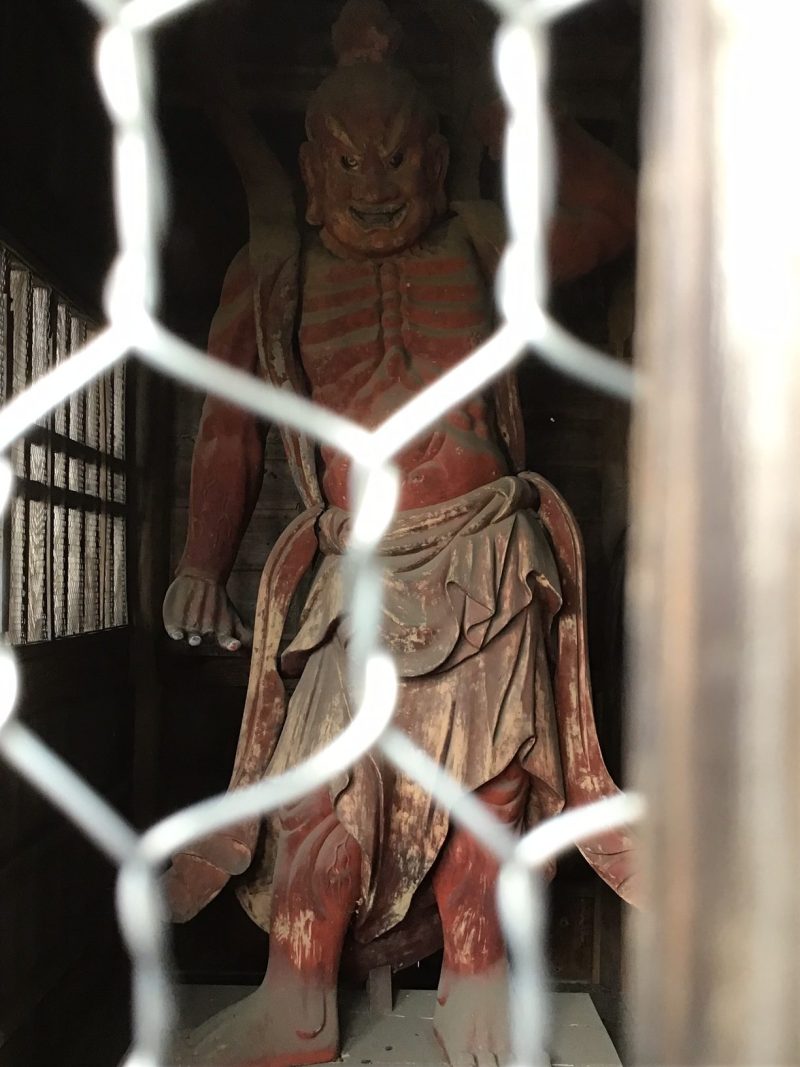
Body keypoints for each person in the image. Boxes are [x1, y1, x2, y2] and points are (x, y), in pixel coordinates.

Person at [164, 2, 638, 1063]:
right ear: (310, 168)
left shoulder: (478, 242)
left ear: (433, 158)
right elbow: (228, 428)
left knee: (496, 773)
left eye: (392, 157)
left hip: (489, 549)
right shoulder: (273, 267)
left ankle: (474, 975)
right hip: (358, 565)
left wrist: (519, 117)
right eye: (346, 160)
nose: (372, 182)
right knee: (315, 778)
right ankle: (297, 997)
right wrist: (202, 559)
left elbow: (614, 213)